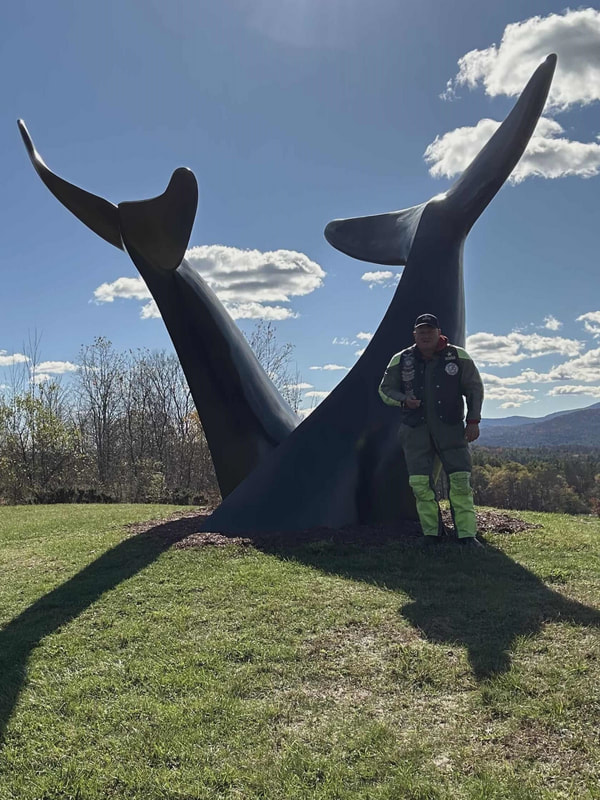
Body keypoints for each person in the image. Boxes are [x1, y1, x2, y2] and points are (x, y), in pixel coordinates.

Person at [379, 313, 484, 548]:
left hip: (451, 430)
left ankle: (467, 535)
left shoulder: (457, 356)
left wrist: (473, 421)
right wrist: (403, 400)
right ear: (414, 334)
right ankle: (431, 534)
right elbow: (385, 390)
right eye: (421, 331)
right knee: (420, 484)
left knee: (460, 481)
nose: (425, 335)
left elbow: (474, 389)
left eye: (429, 331)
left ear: (439, 333)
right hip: (414, 431)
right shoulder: (401, 359)